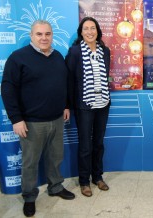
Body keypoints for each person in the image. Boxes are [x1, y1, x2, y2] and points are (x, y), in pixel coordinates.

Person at [1, 20, 75, 217]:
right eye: (39, 34)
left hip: (57, 119)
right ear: (32, 35)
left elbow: (64, 83)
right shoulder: (18, 58)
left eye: (48, 34)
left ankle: (56, 187)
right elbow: (8, 89)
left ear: (52, 35)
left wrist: (66, 105)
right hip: (31, 122)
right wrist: (16, 119)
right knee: (30, 162)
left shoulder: (57, 56)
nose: (44, 38)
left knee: (55, 157)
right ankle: (30, 197)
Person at [65, 17, 111, 197]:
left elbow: (104, 76)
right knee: (85, 145)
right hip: (84, 105)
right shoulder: (75, 52)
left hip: (103, 104)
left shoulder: (105, 51)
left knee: (99, 143)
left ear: (98, 31)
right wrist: (67, 105)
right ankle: (84, 181)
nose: (90, 32)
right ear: (81, 32)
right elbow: (69, 81)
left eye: (93, 28)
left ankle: (97, 177)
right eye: (86, 29)